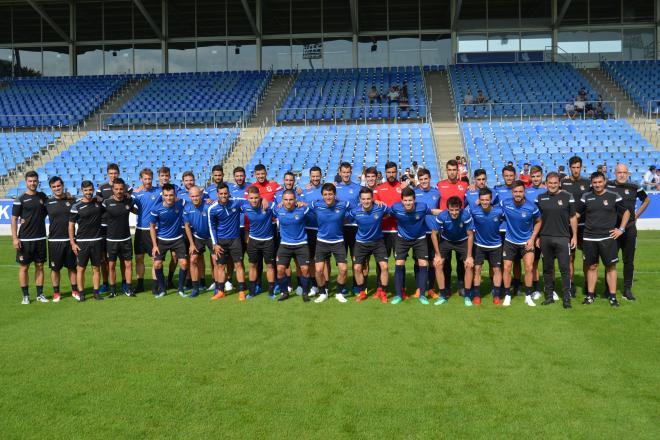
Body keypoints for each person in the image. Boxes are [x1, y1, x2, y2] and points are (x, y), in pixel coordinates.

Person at [576, 172, 630, 307]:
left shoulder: (613, 196)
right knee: (592, 267)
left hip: (608, 238)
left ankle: (612, 297)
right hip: (589, 238)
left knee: (610, 267)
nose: (597, 185)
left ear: (604, 181)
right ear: (591, 183)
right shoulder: (586, 196)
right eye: (594, 183)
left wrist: (621, 229)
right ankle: (590, 295)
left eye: (600, 182)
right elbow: (576, 214)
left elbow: (627, 212)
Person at [389, 187, 440, 305]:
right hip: (402, 238)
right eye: (405, 200)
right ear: (401, 200)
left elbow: (433, 211)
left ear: (414, 200)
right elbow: (386, 213)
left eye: (410, 200)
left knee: (423, 263)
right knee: (399, 263)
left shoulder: (422, 207)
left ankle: (422, 295)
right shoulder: (396, 208)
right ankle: (398, 295)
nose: (408, 203)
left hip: (419, 238)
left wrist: (448, 211)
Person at [607, 164, 650, 300]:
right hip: (613, 228)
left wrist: (636, 215)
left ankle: (627, 289)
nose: (622, 175)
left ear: (628, 173)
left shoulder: (634, 187)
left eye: (624, 172)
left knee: (628, 260)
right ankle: (609, 289)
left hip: (629, 228)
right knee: (610, 260)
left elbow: (646, 199)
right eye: (619, 172)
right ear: (615, 173)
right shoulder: (608, 185)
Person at [535, 172, 577, 309]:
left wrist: (574, 236)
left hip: (563, 237)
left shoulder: (567, 197)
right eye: (550, 183)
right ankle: (549, 296)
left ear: (559, 183)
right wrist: (537, 237)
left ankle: (566, 298)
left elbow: (572, 217)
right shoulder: (540, 198)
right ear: (546, 183)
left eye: (555, 183)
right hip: (545, 238)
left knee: (565, 269)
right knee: (547, 269)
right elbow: (537, 220)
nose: (552, 185)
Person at [500, 180, 542, 307]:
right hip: (510, 241)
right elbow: (491, 206)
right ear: (512, 193)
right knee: (507, 267)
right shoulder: (505, 203)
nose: (518, 194)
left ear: (524, 192)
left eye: (520, 191)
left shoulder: (532, 207)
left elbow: (539, 221)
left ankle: (528, 296)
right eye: (515, 192)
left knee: (529, 267)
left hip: (526, 242)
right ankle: (507, 295)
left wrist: (533, 238)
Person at [308, 183, 351, 303]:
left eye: (330, 194)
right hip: (322, 242)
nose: (328, 197)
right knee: (318, 270)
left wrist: (376, 202)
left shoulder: (343, 204)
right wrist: (299, 202)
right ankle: (322, 293)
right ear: (322, 195)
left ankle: (339, 292)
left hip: (338, 242)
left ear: (335, 195)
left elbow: (357, 207)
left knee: (343, 269)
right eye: (325, 194)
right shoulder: (316, 205)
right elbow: (302, 205)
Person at [346, 187, 390, 303]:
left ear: (372, 199)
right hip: (361, 243)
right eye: (363, 199)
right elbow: (345, 219)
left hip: (378, 242)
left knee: (384, 267)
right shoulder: (355, 211)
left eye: (369, 199)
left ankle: (383, 293)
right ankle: (362, 292)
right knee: (357, 268)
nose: (366, 201)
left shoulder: (380, 208)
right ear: (360, 200)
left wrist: (381, 206)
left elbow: (391, 212)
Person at [11, 170, 48, 304]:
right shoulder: (20, 199)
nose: (33, 183)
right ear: (26, 182)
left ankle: (40, 294)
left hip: (40, 239)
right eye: (30, 181)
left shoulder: (43, 197)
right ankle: (25, 296)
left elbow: (49, 210)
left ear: (38, 181)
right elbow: (14, 219)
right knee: (24, 267)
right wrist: (15, 238)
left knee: (40, 267)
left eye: (35, 181)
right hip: (25, 240)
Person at [431, 196, 475, 306]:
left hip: (462, 241)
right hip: (446, 241)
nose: (454, 213)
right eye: (451, 210)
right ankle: (442, 295)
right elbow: (433, 234)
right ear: (447, 209)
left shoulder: (466, 215)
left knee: (469, 265)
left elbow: (470, 235)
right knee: (438, 264)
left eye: (456, 210)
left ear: (461, 208)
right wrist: (437, 254)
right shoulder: (442, 216)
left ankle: (467, 296)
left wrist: (469, 256)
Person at [208, 183, 248, 300]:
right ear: (217, 194)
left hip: (235, 239)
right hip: (221, 242)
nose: (224, 195)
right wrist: (215, 244)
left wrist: (263, 200)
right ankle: (220, 291)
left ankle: (241, 291)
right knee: (220, 266)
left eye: (225, 193)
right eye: (221, 194)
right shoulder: (213, 209)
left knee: (239, 265)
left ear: (229, 193)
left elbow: (251, 200)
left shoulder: (236, 202)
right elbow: (212, 227)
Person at [272, 189, 313, 302]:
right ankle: (285, 292)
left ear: (295, 200)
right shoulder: (277, 210)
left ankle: (305, 292)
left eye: (291, 199)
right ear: (282, 200)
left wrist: (304, 203)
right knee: (280, 269)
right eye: (285, 200)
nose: (288, 202)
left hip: (301, 244)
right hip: (285, 244)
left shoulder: (302, 210)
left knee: (305, 269)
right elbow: (265, 204)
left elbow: (312, 207)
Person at [149, 183, 189, 298]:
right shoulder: (156, 209)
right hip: (162, 240)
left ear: (175, 195)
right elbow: (152, 226)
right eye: (166, 195)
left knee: (184, 263)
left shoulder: (181, 204)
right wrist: (154, 245)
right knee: (157, 264)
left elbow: (195, 200)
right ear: (162, 196)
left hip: (178, 239)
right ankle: (162, 289)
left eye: (171, 195)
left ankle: (180, 289)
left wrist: (208, 200)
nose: (169, 198)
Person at [240, 186, 279, 300]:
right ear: (248, 198)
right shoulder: (245, 207)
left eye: (256, 198)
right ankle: (252, 292)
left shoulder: (269, 205)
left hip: (268, 241)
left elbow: (281, 208)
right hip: (253, 241)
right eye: (251, 198)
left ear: (260, 197)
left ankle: (271, 292)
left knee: (270, 266)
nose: (254, 200)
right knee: (253, 265)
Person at [68, 180, 105, 301]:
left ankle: (96, 292)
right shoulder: (76, 206)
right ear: (81, 191)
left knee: (96, 268)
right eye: (86, 190)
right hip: (82, 242)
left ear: (93, 190)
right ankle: (82, 293)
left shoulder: (99, 203)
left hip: (97, 241)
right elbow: (71, 226)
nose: (88, 192)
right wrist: (73, 243)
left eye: (90, 190)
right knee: (81, 268)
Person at [561, 156, 591, 298]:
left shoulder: (588, 183)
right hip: (568, 226)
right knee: (570, 257)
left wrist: (579, 214)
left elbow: (591, 201)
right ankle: (571, 285)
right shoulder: (564, 182)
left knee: (587, 257)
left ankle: (587, 283)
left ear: (581, 167)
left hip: (585, 225)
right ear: (570, 168)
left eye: (578, 167)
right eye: (573, 167)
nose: (576, 170)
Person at [437, 159, 468, 295]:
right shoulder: (439, 185)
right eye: (449, 170)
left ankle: (462, 285)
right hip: (445, 230)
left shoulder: (465, 185)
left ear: (458, 170)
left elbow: (467, 203)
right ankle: (447, 286)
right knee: (446, 261)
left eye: (454, 169)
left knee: (462, 261)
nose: (452, 172)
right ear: (446, 170)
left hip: (461, 229)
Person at [102, 178, 137, 298]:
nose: (119, 191)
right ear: (113, 190)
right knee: (111, 265)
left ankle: (128, 288)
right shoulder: (106, 202)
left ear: (124, 189)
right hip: (111, 240)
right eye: (116, 189)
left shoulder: (129, 201)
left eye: (121, 189)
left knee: (128, 264)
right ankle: (113, 290)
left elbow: (137, 211)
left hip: (126, 239)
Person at [469, 188, 504, 304]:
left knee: (496, 269)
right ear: (479, 200)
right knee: (477, 269)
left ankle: (497, 295)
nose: (485, 202)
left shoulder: (499, 211)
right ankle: (477, 295)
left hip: (496, 245)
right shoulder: (474, 211)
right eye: (482, 200)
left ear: (491, 200)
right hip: (479, 245)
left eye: (487, 200)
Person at [45, 176, 78, 302]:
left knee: (72, 267)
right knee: (55, 269)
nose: (57, 188)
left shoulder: (73, 201)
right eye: (54, 187)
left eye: (59, 186)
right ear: (51, 188)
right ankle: (56, 293)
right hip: (54, 241)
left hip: (70, 240)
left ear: (62, 185)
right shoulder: (48, 203)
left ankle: (74, 290)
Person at [97, 163, 128, 295]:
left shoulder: (123, 186)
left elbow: (131, 195)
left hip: (117, 228)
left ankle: (125, 283)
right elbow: (97, 200)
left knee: (122, 258)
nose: (113, 175)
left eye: (115, 173)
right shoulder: (102, 187)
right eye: (111, 173)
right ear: (108, 174)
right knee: (104, 259)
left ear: (118, 174)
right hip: (103, 226)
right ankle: (105, 283)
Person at [132, 168, 162, 294]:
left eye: (150, 178)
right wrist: (138, 211)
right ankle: (140, 284)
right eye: (145, 179)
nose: (148, 181)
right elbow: (126, 205)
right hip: (140, 230)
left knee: (154, 259)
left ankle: (155, 286)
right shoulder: (136, 194)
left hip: (154, 230)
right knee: (139, 258)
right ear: (141, 179)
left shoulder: (159, 192)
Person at [414, 168, 441, 299]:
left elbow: (441, 211)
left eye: (426, 179)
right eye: (421, 179)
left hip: (433, 233)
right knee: (418, 262)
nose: (424, 181)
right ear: (418, 180)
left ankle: (431, 288)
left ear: (430, 178)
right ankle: (419, 288)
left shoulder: (437, 193)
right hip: (419, 233)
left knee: (432, 262)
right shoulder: (414, 193)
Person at [374, 162, 403, 288]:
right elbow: (372, 202)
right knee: (381, 262)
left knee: (399, 262)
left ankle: (400, 288)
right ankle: (380, 288)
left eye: (393, 172)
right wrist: (376, 201)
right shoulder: (379, 188)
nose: (391, 174)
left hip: (399, 231)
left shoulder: (403, 188)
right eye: (389, 172)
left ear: (396, 172)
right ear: (385, 173)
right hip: (382, 231)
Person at [335, 162, 362, 295]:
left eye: (348, 172)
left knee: (355, 258)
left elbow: (362, 205)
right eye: (343, 172)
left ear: (351, 172)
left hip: (355, 227)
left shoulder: (358, 188)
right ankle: (343, 285)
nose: (346, 174)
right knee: (341, 259)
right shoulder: (335, 188)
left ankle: (357, 286)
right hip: (340, 228)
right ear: (339, 173)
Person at [183, 186, 213, 298]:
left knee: (216, 260)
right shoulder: (187, 208)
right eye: (193, 196)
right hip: (197, 237)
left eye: (197, 195)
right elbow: (187, 227)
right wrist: (191, 243)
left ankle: (218, 286)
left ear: (201, 195)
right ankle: (195, 289)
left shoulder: (209, 206)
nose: (195, 198)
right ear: (189, 196)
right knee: (193, 259)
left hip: (210, 237)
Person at [525, 165, 545, 299]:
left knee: (548, 261)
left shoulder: (548, 189)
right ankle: (536, 288)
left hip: (548, 231)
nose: (536, 179)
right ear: (530, 177)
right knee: (535, 262)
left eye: (538, 176)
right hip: (534, 231)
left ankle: (550, 288)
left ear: (542, 176)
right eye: (533, 176)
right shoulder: (526, 192)